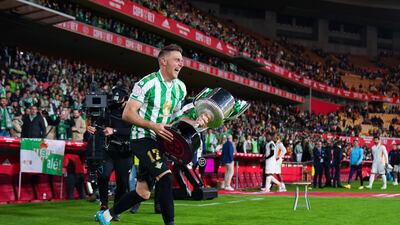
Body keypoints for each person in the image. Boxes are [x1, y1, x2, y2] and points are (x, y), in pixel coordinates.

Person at [95, 44, 209, 225]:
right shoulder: (146, 83)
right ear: (163, 61)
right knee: (166, 176)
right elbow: (127, 113)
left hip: (161, 140)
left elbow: (177, 118)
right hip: (142, 138)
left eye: (182, 60)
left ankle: (106, 215)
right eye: (177, 60)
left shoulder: (180, 87)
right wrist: (152, 125)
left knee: (143, 192)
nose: (181, 64)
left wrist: (197, 121)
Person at [87, 86, 133, 221]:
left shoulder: (133, 111)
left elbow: (133, 131)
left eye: (120, 101)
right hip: (110, 150)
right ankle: (104, 205)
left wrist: (114, 131)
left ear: (126, 99)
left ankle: (115, 210)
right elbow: (98, 124)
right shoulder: (109, 110)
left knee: (122, 183)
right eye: (115, 100)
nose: (117, 103)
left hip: (125, 152)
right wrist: (92, 128)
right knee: (103, 175)